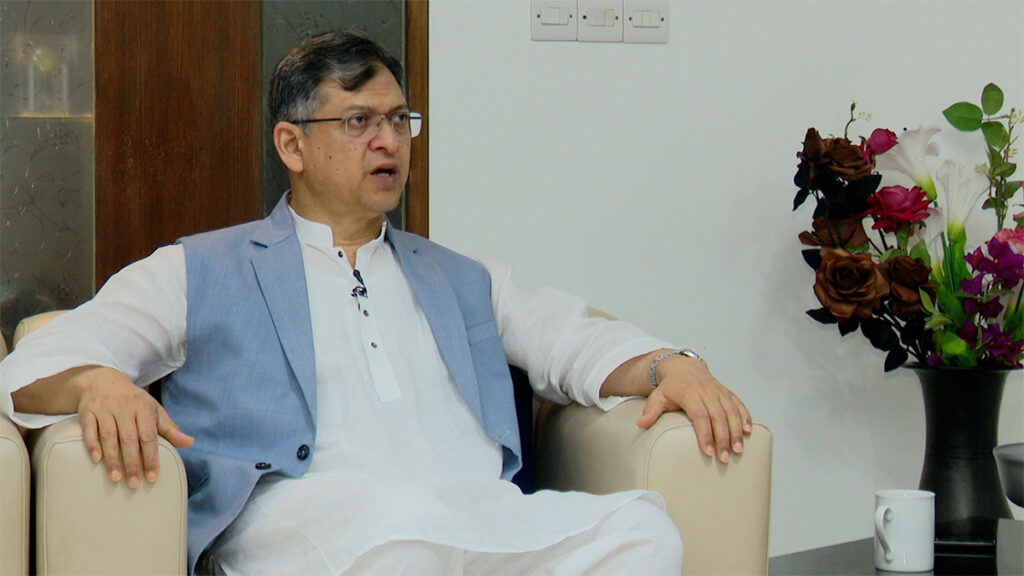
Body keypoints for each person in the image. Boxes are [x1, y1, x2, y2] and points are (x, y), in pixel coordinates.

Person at [0, 32, 751, 575]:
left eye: (398, 120)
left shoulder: (460, 276)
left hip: (472, 514)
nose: (387, 140)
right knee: (399, 539)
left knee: (643, 531)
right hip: (307, 520)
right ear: (292, 146)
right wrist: (98, 382)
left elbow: (574, 341)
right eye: (358, 121)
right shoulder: (201, 269)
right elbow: (34, 363)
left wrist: (671, 365)